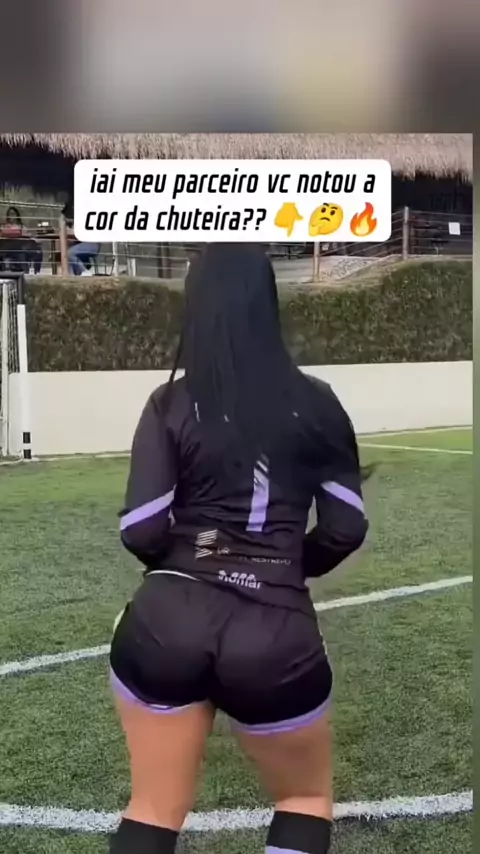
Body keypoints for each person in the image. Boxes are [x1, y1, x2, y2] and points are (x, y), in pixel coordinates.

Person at [109, 243, 370, 854]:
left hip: (168, 621)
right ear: (268, 303)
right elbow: (345, 528)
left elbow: (141, 528)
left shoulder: (171, 402)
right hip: (274, 634)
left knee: (153, 809)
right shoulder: (318, 402)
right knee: (303, 801)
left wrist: (188, 568)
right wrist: (281, 568)